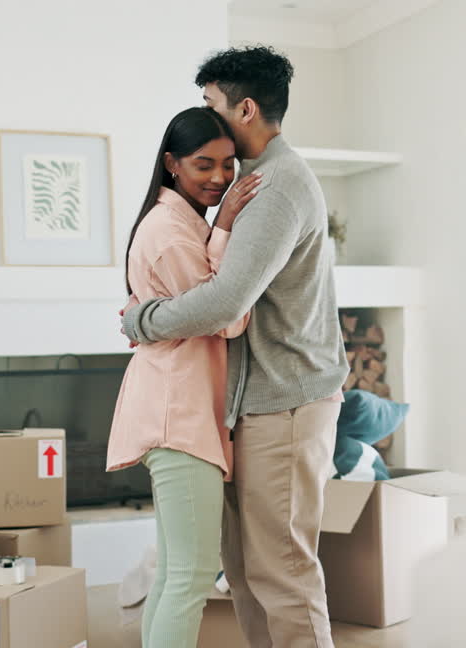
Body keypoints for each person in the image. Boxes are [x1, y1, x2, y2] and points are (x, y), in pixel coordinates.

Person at [122, 46, 348, 648]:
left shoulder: (274, 186)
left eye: (213, 105)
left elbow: (225, 302)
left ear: (245, 107)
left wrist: (143, 321)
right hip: (257, 404)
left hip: (287, 403)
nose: (209, 117)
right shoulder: (251, 182)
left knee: (282, 573)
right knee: (247, 575)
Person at [106, 106, 262, 648]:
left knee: (175, 574)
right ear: (172, 163)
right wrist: (223, 229)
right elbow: (227, 315)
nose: (220, 178)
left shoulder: (173, 222)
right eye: (204, 165)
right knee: (192, 576)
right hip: (180, 418)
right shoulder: (173, 231)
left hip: (177, 412)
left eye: (227, 164)